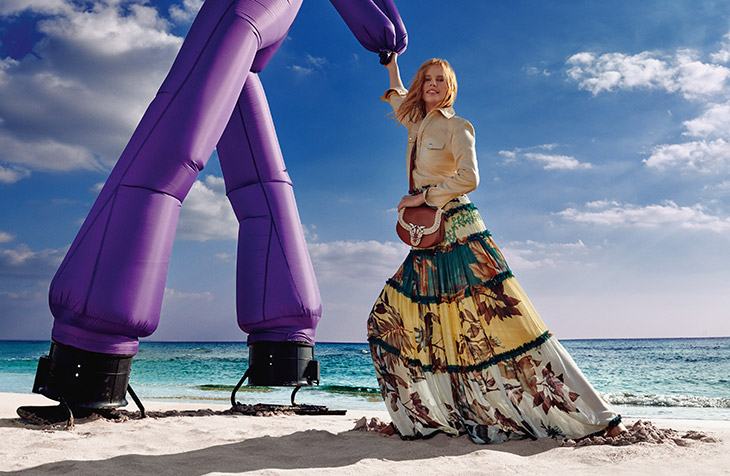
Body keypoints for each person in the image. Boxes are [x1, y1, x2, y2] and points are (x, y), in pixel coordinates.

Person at [367, 54, 627, 443]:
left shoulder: (458, 126)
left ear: (450, 87)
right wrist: (392, 65)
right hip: (430, 238)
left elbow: (469, 177)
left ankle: (600, 416)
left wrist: (423, 197)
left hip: (459, 228)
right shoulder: (417, 122)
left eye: (440, 80)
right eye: (428, 79)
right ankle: (419, 416)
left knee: (510, 319)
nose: (433, 84)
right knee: (392, 318)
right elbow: (397, 97)